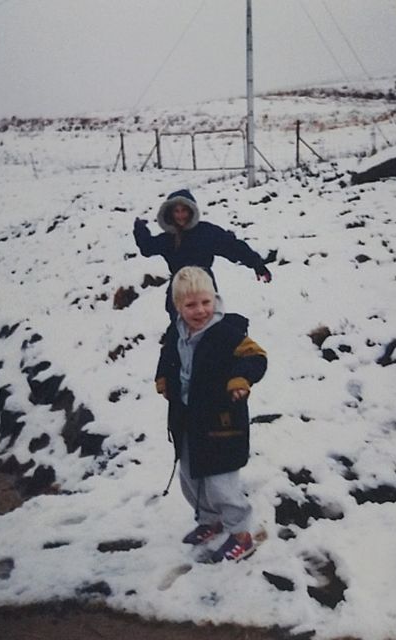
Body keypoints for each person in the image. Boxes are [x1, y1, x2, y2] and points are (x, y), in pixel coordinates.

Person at [155, 266, 267, 562]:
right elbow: (167, 357)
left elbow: (257, 357)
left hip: (221, 422)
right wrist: (163, 378)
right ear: (178, 306)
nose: (200, 310)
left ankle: (241, 533)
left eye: (206, 302)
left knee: (221, 483)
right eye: (191, 305)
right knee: (192, 477)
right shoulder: (175, 333)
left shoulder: (226, 334)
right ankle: (210, 520)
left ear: (214, 299)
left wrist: (241, 379)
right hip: (187, 421)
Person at [134, 189, 272, 319]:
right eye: (177, 211)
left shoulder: (206, 232)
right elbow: (148, 247)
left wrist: (256, 263)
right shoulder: (167, 238)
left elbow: (233, 247)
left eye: (184, 211)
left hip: (204, 288)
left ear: (191, 211)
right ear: (170, 213)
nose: (180, 215)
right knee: (178, 331)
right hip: (179, 291)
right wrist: (140, 229)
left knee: (209, 328)